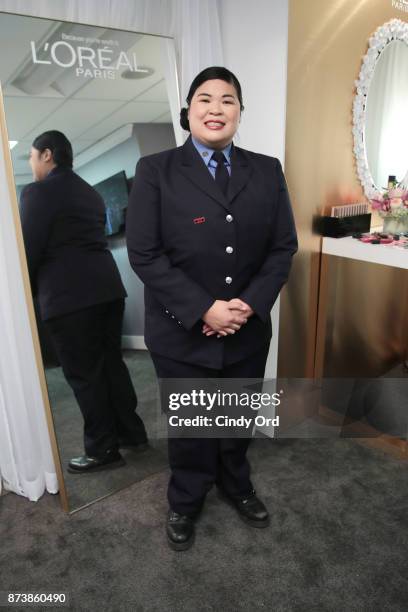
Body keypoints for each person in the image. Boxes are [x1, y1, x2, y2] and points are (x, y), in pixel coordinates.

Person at [126, 67, 298, 550]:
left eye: (228, 100)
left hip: (246, 324)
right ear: (188, 111)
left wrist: (248, 304)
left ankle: (235, 482)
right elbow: (144, 253)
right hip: (181, 330)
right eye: (205, 99)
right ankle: (186, 498)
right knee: (193, 423)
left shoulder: (266, 170)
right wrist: (204, 308)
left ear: (241, 112)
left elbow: (283, 246)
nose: (216, 109)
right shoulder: (156, 170)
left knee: (237, 415)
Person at [20, 130, 147, 473]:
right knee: (111, 365)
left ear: (47, 154)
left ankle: (102, 450)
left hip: (68, 297)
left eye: (31, 156)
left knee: (84, 376)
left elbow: (28, 251)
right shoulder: (89, 192)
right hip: (107, 289)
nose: (31, 164)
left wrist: (25, 295)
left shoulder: (37, 192)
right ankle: (132, 433)